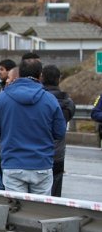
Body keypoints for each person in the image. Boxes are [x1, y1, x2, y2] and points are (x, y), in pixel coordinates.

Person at [0, 58, 66, 232]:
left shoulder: (4, 98)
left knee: (15, 216)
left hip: (13, 165)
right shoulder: (49, 100)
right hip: (41, 164)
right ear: (40, 76)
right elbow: (59, 132)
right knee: (42, 216)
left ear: (19, 74)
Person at [41, 64, 75, 197]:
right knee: (55, 193)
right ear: (59, 79)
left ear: (42, 78)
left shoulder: (38, 100)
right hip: (58, 153)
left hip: (40, 151)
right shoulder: (67, 102)